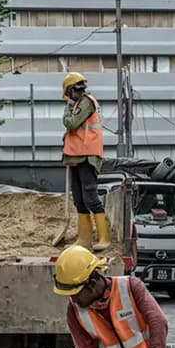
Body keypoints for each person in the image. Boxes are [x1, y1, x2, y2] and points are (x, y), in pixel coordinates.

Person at [62, 72, 111, 252]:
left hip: (88, 155)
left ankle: (104, 238)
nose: (76, 93)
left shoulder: (86, 102)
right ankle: (84, 239)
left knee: (90, 197)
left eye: (76, 90)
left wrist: (67, 110)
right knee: (79, 199)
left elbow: (71, 123)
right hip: (76, 155)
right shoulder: (77, 104)